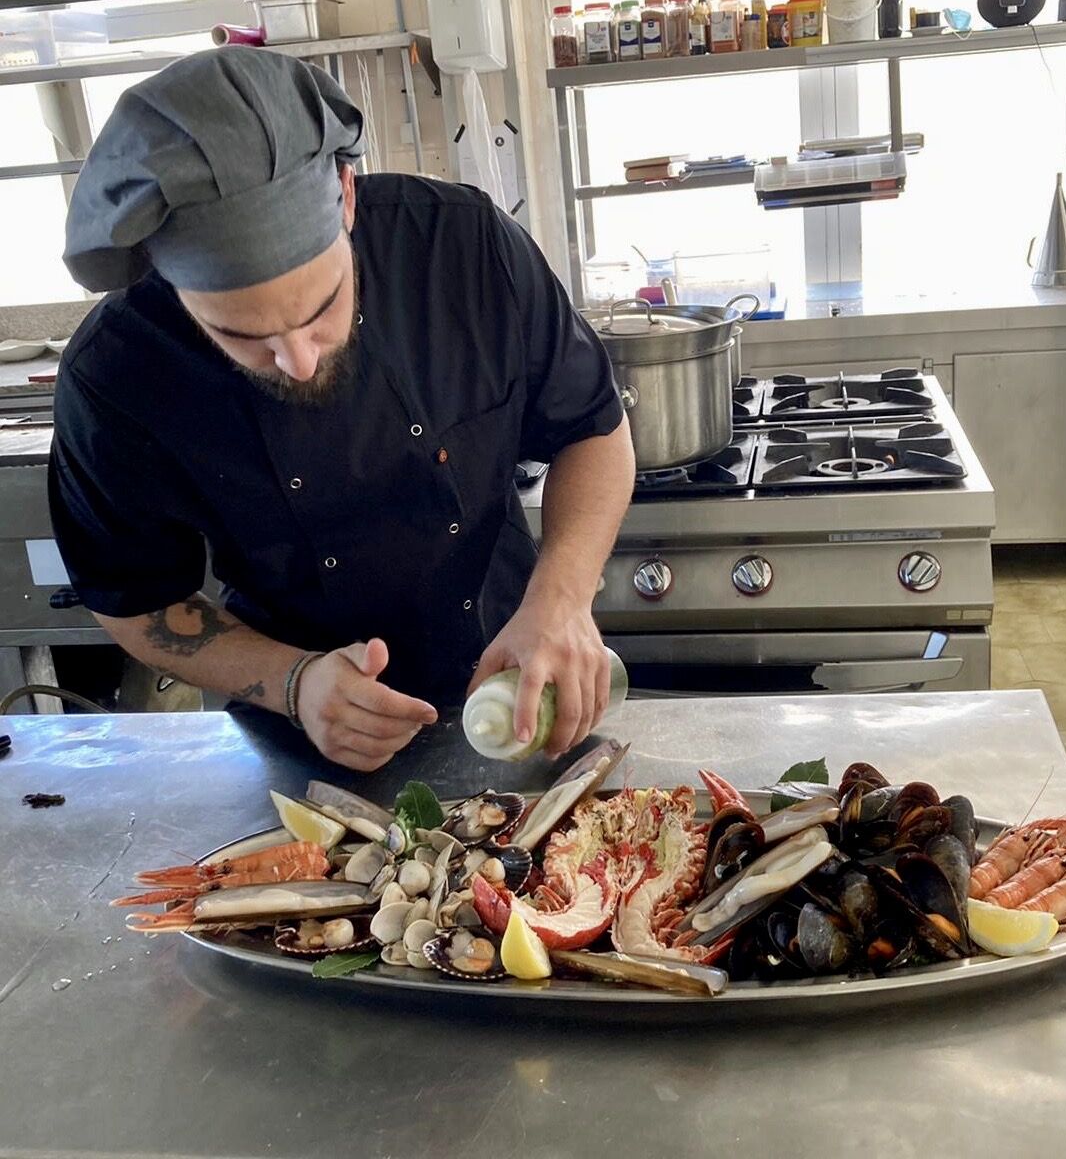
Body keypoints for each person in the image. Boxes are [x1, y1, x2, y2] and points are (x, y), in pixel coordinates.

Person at [50, 47, 635, 771]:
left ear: (347, 196)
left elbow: (595, 431)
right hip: (297, 732)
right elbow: (134, 598)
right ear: (169, 284)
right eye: (242, 336)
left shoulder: (463, 248)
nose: (298, 359)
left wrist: (562, 599)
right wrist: (292, 683)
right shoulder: (116, 376)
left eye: (321, 308)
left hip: (520, 684)